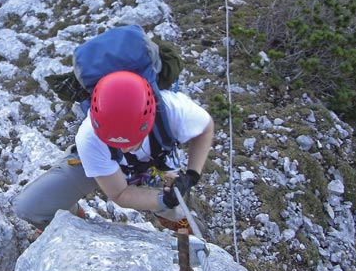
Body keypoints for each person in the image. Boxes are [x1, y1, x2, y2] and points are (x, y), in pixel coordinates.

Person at [14, 70, 214, 232]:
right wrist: (160, 198)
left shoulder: (174, 110)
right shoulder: (89, 136)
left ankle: (190, 231)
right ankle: (77, 222)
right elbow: (120, 193)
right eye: (117, 142)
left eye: (131, 140)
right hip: (104, 161)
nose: (125, 148)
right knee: (32, 208)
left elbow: (205, 129)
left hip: (156, 161)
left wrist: (192, 175)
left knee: (181, 214)